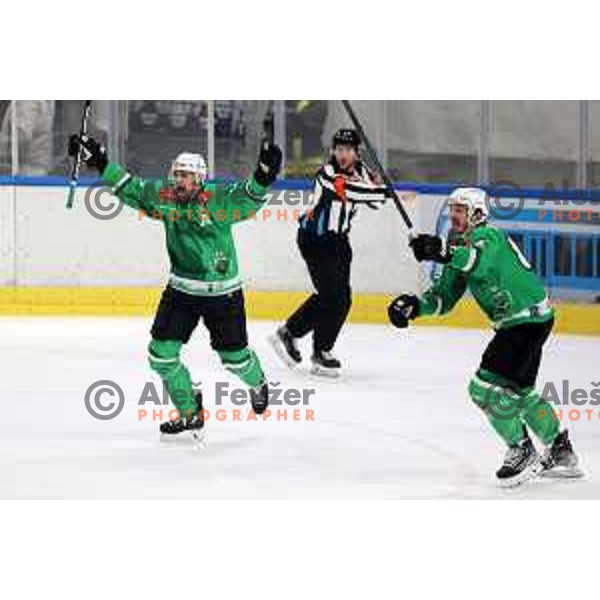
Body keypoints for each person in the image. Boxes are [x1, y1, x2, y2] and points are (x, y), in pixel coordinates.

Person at [68, 133, 282, 437]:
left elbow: (248, 197)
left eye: (186, 176)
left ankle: (258, 382)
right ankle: (190, 412)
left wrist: (264, 173)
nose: (179, 180)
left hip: (222, 295)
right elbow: (131, 187)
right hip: (181, 291)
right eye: (176, 174)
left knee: (234, 360)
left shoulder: (219, 201)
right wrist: (98, 159)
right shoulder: (165, 197)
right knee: (161, 355)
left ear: (200, 180)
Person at [389, 187, 581, 486]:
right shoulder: (459, 248)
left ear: (477, 214)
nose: (454, 215)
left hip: (524, 320)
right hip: (529, 320)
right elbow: (444, 298)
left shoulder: (488, 237)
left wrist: (439, 250)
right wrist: (414, 307)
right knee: (519, 392)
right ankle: (561, 451)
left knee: (482, 388)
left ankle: (521, 450)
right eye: (452, 209)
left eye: (460, 210)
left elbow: (476, 260)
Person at [269, 128, 389, 377]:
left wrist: (378, 185)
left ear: (357, 152)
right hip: (315, 240)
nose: (343, 154)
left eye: (348, 149)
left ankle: (296, 337)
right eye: (339, 149)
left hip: (339, 241)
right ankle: (316, 349)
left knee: (340, 298)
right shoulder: (328, 174)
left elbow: (376, 203)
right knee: (331, 295)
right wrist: (384, 190)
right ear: (333, 150)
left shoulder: (362, 170)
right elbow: (356, 193)